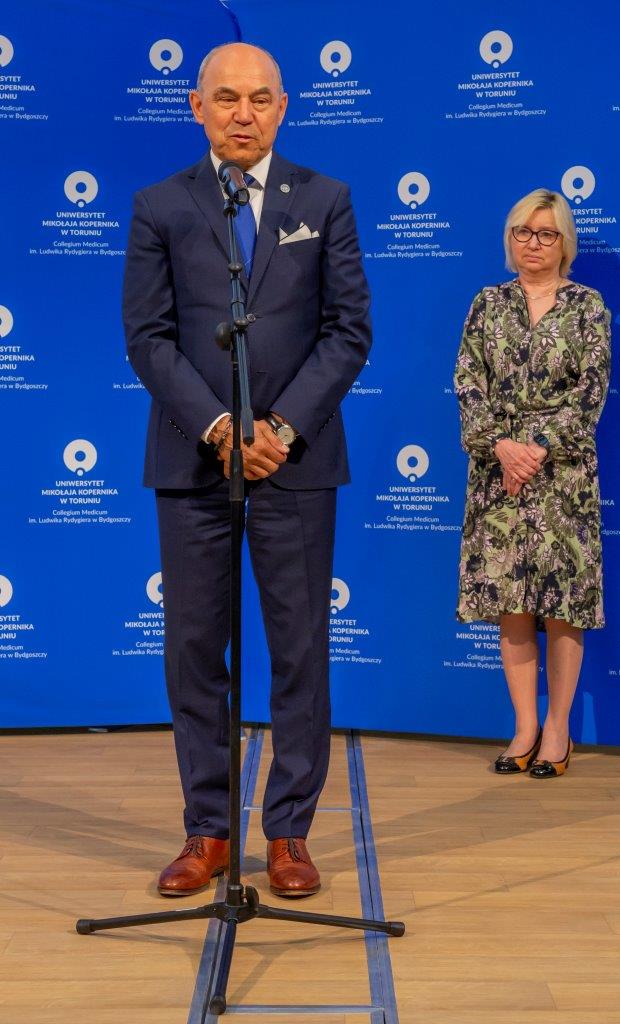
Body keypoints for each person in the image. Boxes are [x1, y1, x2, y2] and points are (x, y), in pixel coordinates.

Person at [123, 42, 371, 896]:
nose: (242, 113)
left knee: (299, 650)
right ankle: (209, 830)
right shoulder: (159, 205)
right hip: (194, 464)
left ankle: (290, 832)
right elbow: (147, 338)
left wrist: (282, 429)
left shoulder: (326, 199)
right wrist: (224, 427)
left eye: (260, 98)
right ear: (197, 107)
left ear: (283, 106)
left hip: (297, 465)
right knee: (195, 649)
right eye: (225, 98)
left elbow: (349, 331)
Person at [454, 189, 610, 778]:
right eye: (523, 232)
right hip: (499, 475)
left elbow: (591, 390)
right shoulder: (487, 302)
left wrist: (538, 448)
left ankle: (558, 730)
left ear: (564, 242)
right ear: (510, 239)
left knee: (562, 603)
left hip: (563, 475)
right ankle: (523, 727)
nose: (533, 243)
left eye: (546, 234)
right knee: (511, 603)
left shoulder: (587, 305)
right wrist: (501, 445)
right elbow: (467, 382)